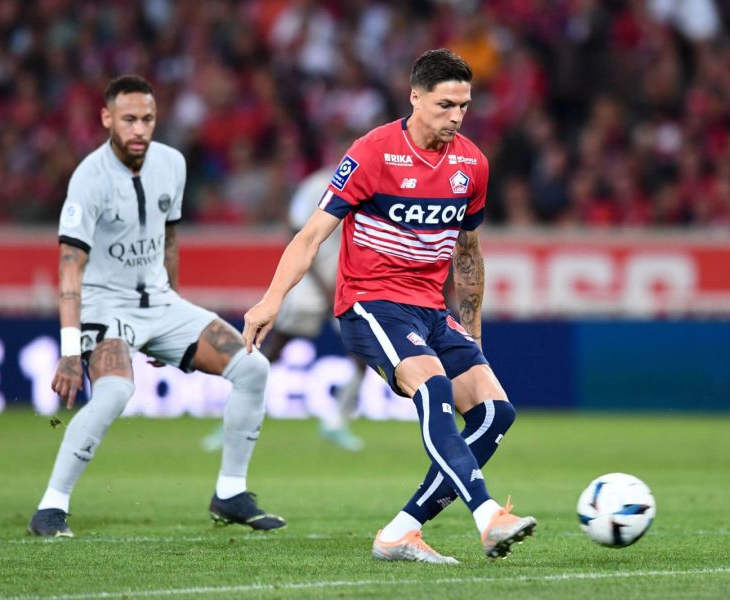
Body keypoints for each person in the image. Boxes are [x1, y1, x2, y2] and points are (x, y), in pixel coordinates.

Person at [242, 49, 536, 562]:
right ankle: (488, 514)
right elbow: (311, 235)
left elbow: (467, 252)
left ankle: (400, 531)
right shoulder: (373, 153)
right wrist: (270, 300)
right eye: (446, 105)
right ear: (415, 97)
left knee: (496, 414)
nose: (457, 117)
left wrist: (474, 334)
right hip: (370, 303)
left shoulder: (472, 163)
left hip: (430, 309)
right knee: (434, 386)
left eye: (465, 105)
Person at [28, 75, 284, 537]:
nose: (139, 129)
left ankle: (230, 493)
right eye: (128, 119)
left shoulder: (172, 163)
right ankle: (51, 506)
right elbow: (70, 268)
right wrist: (70, 351)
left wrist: (175, 316)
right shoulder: (89, 177)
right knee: (114, 393)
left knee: (253, 368)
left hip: (162, 303)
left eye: (147, 119)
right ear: (107, 119)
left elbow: (168, 237)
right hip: (106, 309)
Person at [201, 165, 366, 453]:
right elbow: (297, 231)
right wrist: (323, 286)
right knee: (273, 349)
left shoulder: (371, 185)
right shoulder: (317, 184)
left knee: (364, 353)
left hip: (349, 281)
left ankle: (336, 422)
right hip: (311, 280)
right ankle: (233, 417)